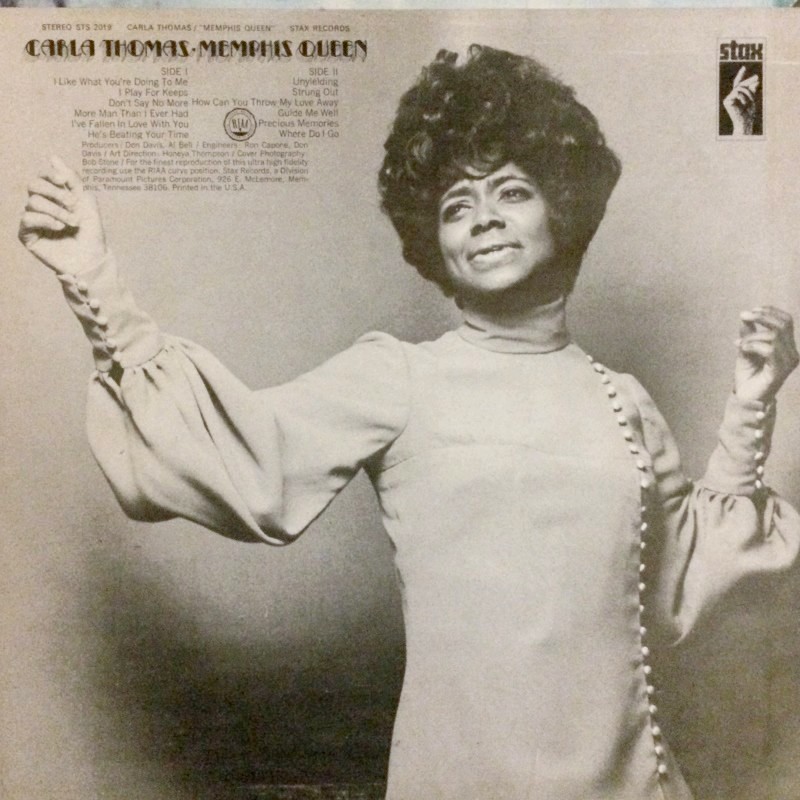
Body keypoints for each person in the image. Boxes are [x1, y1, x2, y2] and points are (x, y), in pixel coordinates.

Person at [18, 45, 800, 800]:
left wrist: (752, 402)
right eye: (457, 205)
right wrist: (96, 284)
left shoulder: (622, 400)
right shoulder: (399, 378)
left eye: (512, 192)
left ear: (562, 206)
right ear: (435, 238)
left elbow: (676, 588)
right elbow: (245, 456)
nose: (483, 219)